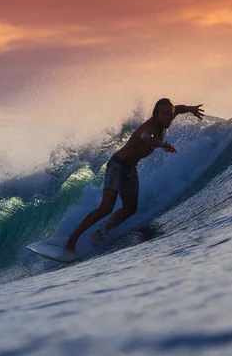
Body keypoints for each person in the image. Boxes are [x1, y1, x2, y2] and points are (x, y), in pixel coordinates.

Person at [65, 98, 204, 252]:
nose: (168, 117)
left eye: (169, 114)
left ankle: (101, 232)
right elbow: (146, 137)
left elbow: (177, 108)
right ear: (155, 114)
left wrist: (190, 108)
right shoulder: (149, 128)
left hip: (130, 169)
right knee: (106, 208)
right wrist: (162, 145)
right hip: (117, 166)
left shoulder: (167, 119)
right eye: (164, 114)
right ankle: (73, 238)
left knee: (130, 209)